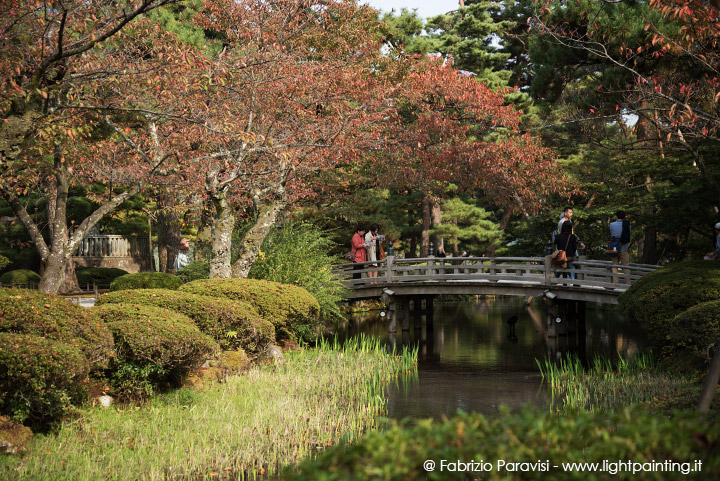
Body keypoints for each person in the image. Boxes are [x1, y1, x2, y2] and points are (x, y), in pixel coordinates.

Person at [609, 211, 631, 283]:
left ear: (616, 216)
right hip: (624, 247)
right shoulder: (627, 224)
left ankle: (615, 282)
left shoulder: (611, 224)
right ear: (624, 217)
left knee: (614, 265)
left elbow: (612, 234)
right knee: (626, 265)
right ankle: (628, 282)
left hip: (614, 247)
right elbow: (628, 233)